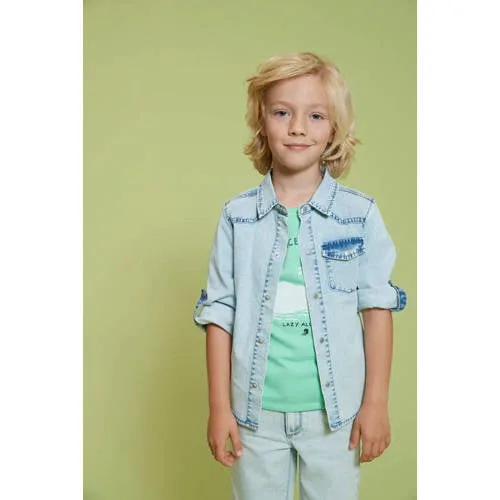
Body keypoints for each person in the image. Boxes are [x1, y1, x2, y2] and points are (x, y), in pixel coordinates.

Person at [193, 51, 407, 500]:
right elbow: (219, 315)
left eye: (315, 115)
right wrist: (219, 408)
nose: (297, 128)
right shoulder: (237, 217)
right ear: (261, 122)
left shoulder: (358, 215)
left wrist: (375, 403)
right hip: (254, 417)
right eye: (281, 113)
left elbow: (377, 310)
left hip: (336, 416)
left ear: (334, 127)